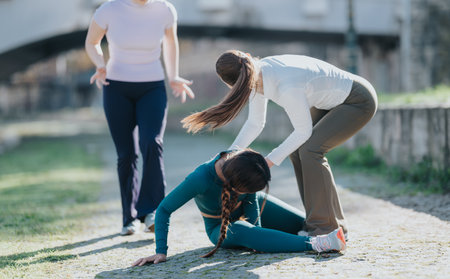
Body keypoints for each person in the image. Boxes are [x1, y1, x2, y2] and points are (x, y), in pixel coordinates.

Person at [182, 50, 378, 237]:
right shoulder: (255, 73)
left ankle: (324, 228)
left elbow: (303, 131)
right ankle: (328, 224)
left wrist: (268, 161)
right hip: (331, 102)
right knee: (297, 151)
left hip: (357, 100)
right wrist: (227, 155)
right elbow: (255, 123)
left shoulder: (286, 85)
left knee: (310, 150)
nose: (253, 90)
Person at [85, 0, 194, 235]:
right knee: (127, 155)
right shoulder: (109, 9)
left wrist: (173, 75)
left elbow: (171, 43)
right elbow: (92, 42)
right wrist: (100, 64)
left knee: (152, 143)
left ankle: (153, 211)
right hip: (116, 88)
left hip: (152, 87)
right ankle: (129, 218)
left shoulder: (165, 9)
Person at [132, 149, 346, 266]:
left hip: (249, 214)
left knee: (307, 223)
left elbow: (252, 200)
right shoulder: (200, 178)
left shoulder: (241, 159)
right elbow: (163, 209)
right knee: (242, 230)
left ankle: (313, 233)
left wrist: (258, 233)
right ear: (234, 184)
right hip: (220, 228)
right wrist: (160, 251)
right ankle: (316, 244)